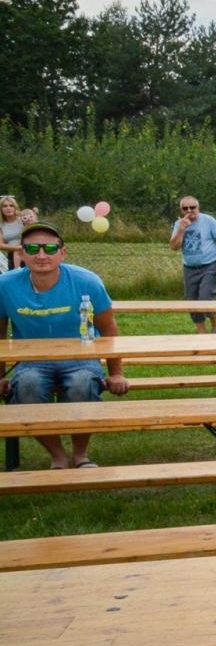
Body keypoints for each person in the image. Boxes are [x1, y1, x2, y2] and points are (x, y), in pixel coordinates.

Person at [0, 220, 130, 468]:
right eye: (32, 249)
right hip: (31, 361)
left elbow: (109, 329)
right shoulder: (5, 285)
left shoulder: (87, 280)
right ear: (21, 254)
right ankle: (57, 455)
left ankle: (80, 454)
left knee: (82, 383)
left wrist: (116, 373)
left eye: (50, 248)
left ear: (62, 253)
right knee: (27, 386)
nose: (41, 255)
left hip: (81, 358)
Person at [169, 195, 216, 333]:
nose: (189, 210)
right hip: (189, 268)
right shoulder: (179, 224)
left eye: (192, 207)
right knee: (192, 301)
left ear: (198, 208)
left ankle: (215, 325)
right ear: (181, 210)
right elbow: (174, 246)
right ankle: (201, 331)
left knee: (205, 297)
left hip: (209, 265)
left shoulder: (209, 221)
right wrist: (181, 229)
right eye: (185, 208)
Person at [0, 195, 23, 269]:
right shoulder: (1, 225)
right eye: (5, 206)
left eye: (11, 205)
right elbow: (1, 245)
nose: (8, 208)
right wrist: (17, 248)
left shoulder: (22, 220)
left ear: (15, 207)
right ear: (1, 209)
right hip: (12, 257)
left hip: (29, 253)